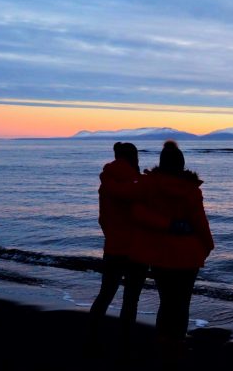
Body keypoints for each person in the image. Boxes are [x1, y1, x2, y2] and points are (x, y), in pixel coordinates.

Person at [131, 140, 214, 358]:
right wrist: (208, 245)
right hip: (188, 255)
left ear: (162, 162)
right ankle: (177, 343)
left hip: (160, 255)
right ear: (181, 164)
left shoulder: (149, 185)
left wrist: (164, 225)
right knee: (182, 302)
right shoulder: (190, 189)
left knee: (166, 300)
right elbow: (200, 222)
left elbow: (137, 212)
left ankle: (162, 341)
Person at [88, 142, 149, 350]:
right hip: (136, 248)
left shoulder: (106, 182)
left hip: (113, 246)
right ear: (134, 158)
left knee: (106, 292)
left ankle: (92, 335)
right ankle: (125, 342)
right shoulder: (139, 184)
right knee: (131, 298)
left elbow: (103, 218)